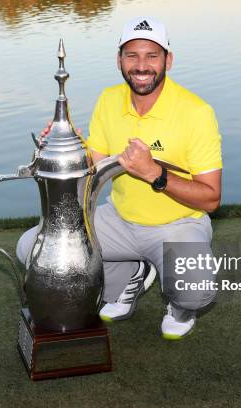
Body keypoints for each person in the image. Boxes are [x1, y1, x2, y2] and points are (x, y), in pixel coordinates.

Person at [16, 16, 222, 340]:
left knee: (193, 288)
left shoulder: (197, 112)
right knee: (32, 248)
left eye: (152, 56)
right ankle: (131, 276)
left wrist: (154, 173)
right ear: (119, 60)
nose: (142, 65)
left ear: (168, 59)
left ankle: (181, 308)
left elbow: (211, 198)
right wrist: (62, 150)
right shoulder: (109, 100)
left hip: (179, 224)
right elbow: (94, 169)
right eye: (132, 55)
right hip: (119, 219)